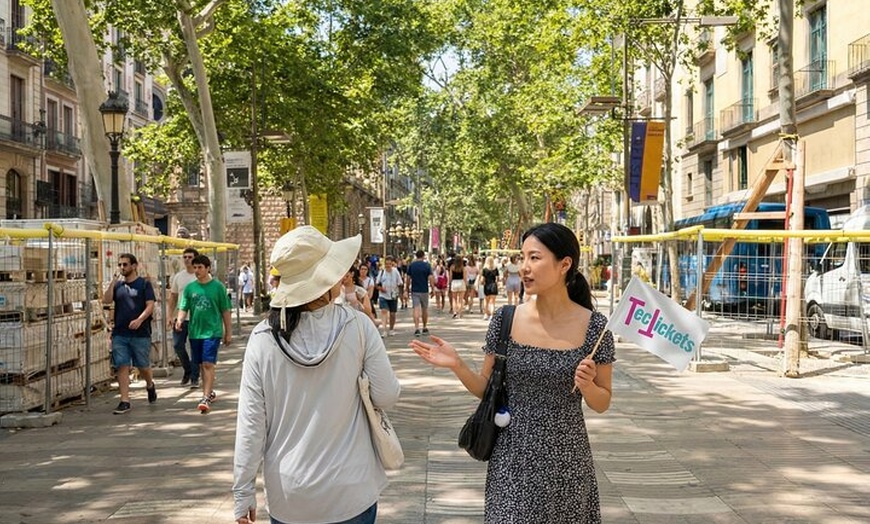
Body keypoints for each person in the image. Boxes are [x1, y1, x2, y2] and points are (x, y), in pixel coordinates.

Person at [410, 222, 615, 523]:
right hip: (511, 459)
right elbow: (485, 388)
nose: (524, 268)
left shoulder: (596, 328)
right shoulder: (504, 319)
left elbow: (603, 402)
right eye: (522, 258)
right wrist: (457, 364)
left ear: (564, 264)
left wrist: (587, 386)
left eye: (535, 257)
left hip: (567, 464)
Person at [233, 226, 400, 524]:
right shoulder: (358, 327)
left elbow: (250, 424)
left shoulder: (262, 339)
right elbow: (386, 395)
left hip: (290, 495)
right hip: (352, 488)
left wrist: (243, 491)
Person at [174, 254, 232, 413]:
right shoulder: (190, 288)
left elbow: (225, 311)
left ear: (208, 268)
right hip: (195, 332)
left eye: (200, 267)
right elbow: (183, 307)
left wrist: (228, 332)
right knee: (200, 364)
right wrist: (179, 320)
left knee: (208, 363)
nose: (197, 270)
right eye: (195, 267)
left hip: (212, 331)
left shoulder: (218, 287)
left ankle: (205, 397)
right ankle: (209, 390)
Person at [102, 253, 157, 415]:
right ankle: (124, 400)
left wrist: (140, 320)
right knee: (122, 365)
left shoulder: (143, 285)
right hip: (120, 332)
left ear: (134, 266)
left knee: (143, 365)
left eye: (125, 264)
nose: (122, 268)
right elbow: (106, 300)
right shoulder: (118, 286)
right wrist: (113, 281)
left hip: (140, 333)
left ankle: (149, 384)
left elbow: (150, 305)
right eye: (120, 265)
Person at [168, 247, 200, 387]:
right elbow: (173, 297)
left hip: (197, 318)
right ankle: (188, 369)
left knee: (195, 348)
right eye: (185, 257)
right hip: (180, 318)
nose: (187, 259)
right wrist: (170, 315)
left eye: (190, 257)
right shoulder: (178, 277)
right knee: (177, 345)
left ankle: (194, 377)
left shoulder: (201, 276)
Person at [405, 250, 435, 337]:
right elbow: (430, 278)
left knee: (416, 309)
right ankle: (425, 327)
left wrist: (406, 288)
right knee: (424, 309)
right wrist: (433, 289)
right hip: (424, 290)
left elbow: (408, 278)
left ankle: (417, 328)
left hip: (415, 290)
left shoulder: (412, 265)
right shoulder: (427, 265)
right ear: (423, 256)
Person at [375, 256, 403, 336]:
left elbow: (400, 283)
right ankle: (384, 330)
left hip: (393, 295)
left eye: (389, 264)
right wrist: (381, 288)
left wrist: (402, 293)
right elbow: (376, 284)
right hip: (383, 295)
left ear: (392, 264)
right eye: (386, 264)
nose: (388, 266)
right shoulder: (382, 272)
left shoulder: (395, 271)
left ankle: (391, 329)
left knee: (392, 314)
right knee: (384, 311)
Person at [480, 256, 500, 320]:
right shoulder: (495, 269)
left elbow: (482, 279)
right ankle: (492, 315)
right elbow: (497, 279)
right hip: (493, 285)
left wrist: (481, 283)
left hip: (487, 285)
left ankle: (486, 314)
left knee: (486, 301)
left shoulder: (485, 269)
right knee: (492, 302)